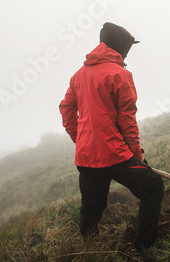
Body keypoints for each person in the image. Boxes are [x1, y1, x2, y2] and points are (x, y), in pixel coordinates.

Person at [59, 22, 164, 250]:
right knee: (153, 187)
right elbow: (127, 120)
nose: (127, 52)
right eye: (127, 47)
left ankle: (92, 251)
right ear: (118, 46)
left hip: (86, 156)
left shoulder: (78, 75)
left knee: (91, 208)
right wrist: (136, 156)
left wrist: (81, 139)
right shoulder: (121, 74)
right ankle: (143, 248)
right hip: (115, 155)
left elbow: (66, 108)